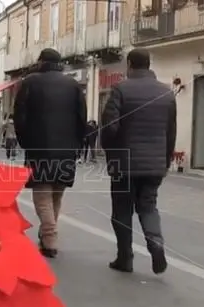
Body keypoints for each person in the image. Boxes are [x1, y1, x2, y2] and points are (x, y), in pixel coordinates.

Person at [100, 48, 175, 274]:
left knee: (122, 211)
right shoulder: (167, 93)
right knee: (148, 207)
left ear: (130, 64)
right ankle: (156, 244)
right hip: (154, 164)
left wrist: (111, 154)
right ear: (149, 64)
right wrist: (165, 161)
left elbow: (109, 127)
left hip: (125, 163)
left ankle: (125, 257)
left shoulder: (120, 90)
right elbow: (170, 132)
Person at [14, 48, 87, 258]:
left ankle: (50, 237)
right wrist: (77, 144)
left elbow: (20, 116)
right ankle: (48, 236)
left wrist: (25, 141)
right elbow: (82, 118)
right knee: (56, 193)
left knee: (42, 195)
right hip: (67, 149)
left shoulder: (30, 82)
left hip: (39, 147)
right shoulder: (73, 85)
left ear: (41, 61)